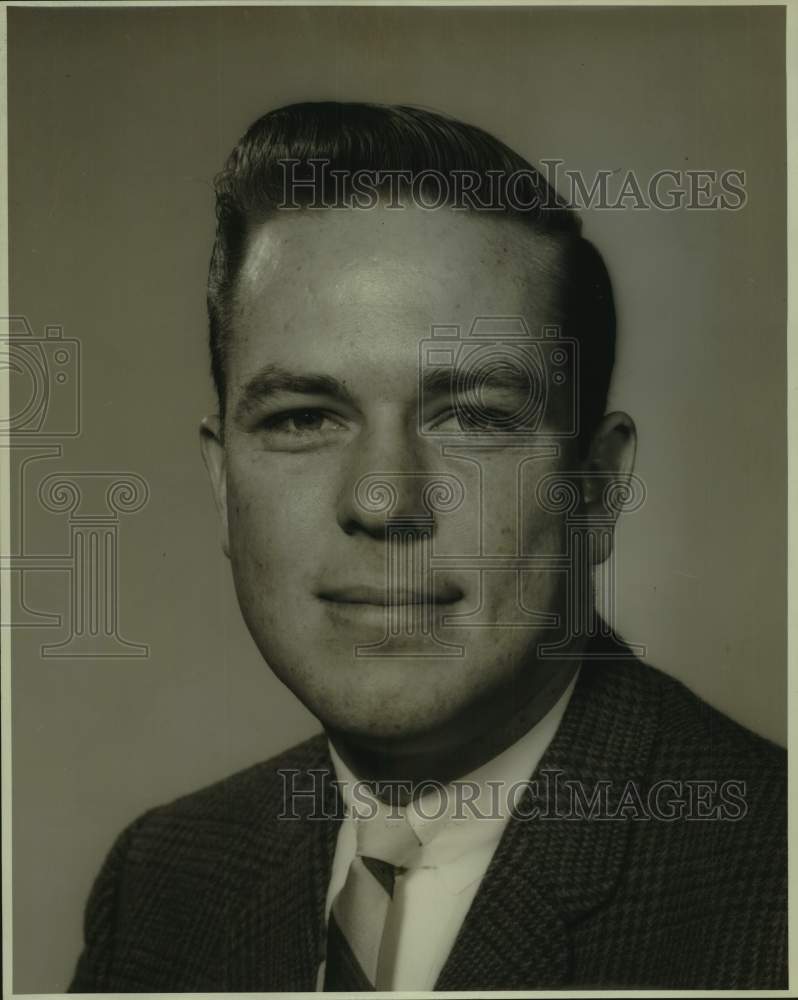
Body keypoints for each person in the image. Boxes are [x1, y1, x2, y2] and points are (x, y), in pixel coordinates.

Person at [69, 102, 786, 992]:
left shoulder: (772, 888)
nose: (383, 501)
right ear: (223, 485)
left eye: (475, 418)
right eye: (303, 418)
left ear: (596, 487)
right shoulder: (164, 882)